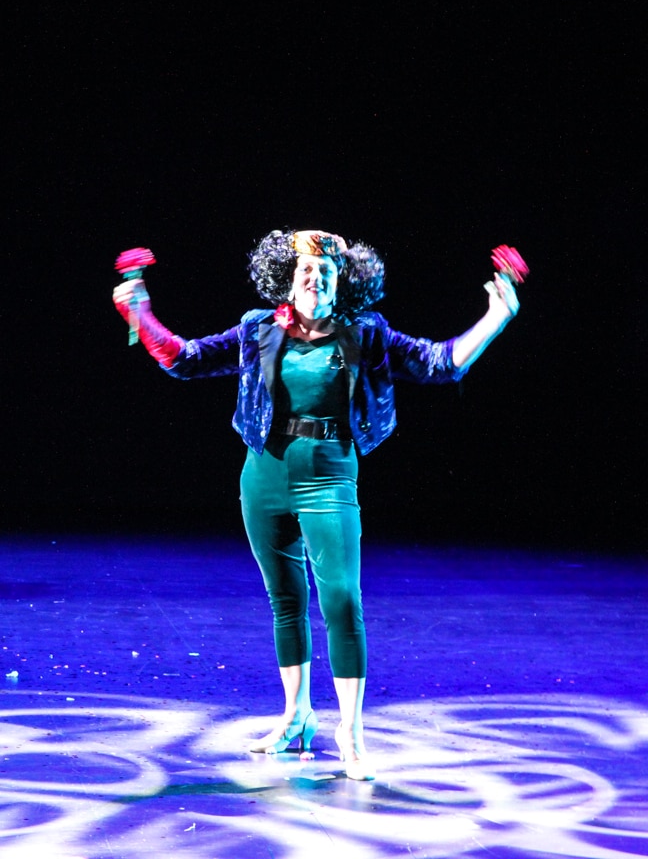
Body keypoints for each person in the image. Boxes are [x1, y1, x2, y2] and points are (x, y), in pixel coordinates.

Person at [112, 228, 521, 780]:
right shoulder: (259, 328)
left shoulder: (364, 333)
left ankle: (349, 733)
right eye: (305, 270)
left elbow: (439, 362)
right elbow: (184, 359)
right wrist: (140, 315)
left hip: (330, 474)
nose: (314, 277)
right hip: (265, 475)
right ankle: (296, 716)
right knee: (286, 601)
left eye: (325, 272)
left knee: (342, 602)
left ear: (341, 284)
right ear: (288, 279)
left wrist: (496, 317)